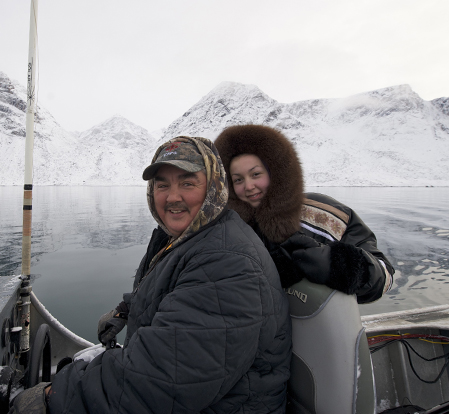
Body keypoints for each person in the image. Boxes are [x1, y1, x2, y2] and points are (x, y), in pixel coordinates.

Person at [10, 137, 291, 413]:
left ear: (215, 188)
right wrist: (126, 309)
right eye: (162, 184)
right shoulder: (185, 238)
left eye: (188, 183)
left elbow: (157, 381)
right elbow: (173, 289)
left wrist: (54, 396)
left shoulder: (230, 262)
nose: (172, 197)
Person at [214, 124, 394, 304]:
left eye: (256, 174)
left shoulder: (324, 213)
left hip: (319, 327)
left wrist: (339, 266)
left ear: (276, 171)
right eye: (238, 179)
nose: (248, 186)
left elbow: (385, 277)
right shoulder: (227, 228)